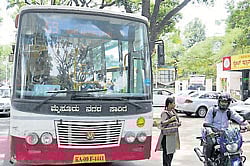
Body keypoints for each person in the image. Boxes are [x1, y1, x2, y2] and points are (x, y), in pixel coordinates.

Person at [203, 93, 250, 165]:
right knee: (211, 142)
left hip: (225, 133)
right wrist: (210, 131)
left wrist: (247, 125)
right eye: (222, 102)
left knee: (236, 144)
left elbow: (239, 119)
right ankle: (207, 160)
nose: (224, 104)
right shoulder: (212, 110)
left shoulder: (229, 111)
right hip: (213, 133)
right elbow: (207, 123)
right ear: (219, 102)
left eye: (226, 102)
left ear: (228, 103)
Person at [155, 97, 181, 166]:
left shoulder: (173, 112)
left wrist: (177, 124)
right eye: (173, 103)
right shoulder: (164, 113)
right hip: (166, 138)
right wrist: (171, 120)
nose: (175, 105)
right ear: (169, 104)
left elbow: (174, 122)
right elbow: (162, 123)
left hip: (172, 136)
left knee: (170, 154)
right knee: (166, 155)